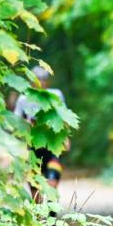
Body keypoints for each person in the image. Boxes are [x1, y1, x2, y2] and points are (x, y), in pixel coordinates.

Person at [13, 66, 69, 204]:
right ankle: (39, 221)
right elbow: (15, 123)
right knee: (35, 189)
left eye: (44, 79)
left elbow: (64, 118)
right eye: (38, 80)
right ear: (32, 82)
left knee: (52, 183)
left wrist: (66, 138)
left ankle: (52, 221)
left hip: (52, 146)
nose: (42, 83)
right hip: (32, 148)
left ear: (48, 82)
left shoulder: (56, 95)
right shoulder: (23, 99)